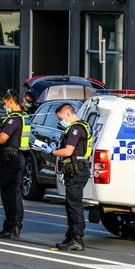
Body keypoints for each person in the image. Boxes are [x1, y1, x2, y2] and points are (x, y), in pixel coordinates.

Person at [45, 103, 92, 251]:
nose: (60, 121)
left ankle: (77, 238)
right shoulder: (83, 126)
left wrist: (52, 153)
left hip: (76, 172)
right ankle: (71, 235)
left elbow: (68, 151)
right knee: (71, 204)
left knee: (74, 205)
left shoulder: (75, 129)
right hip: (77, 170)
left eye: (60, 118)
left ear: (67, 114)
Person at [0, 89, 31, 239]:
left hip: (11, 160)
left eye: (4, 103)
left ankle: (11, 226)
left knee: (9, 195)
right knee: (15, 194)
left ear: (10, 101)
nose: (4, 106)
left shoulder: (13, 119)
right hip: (19, 157)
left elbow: (2, 139)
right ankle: (15, 225)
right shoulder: (24, 116)